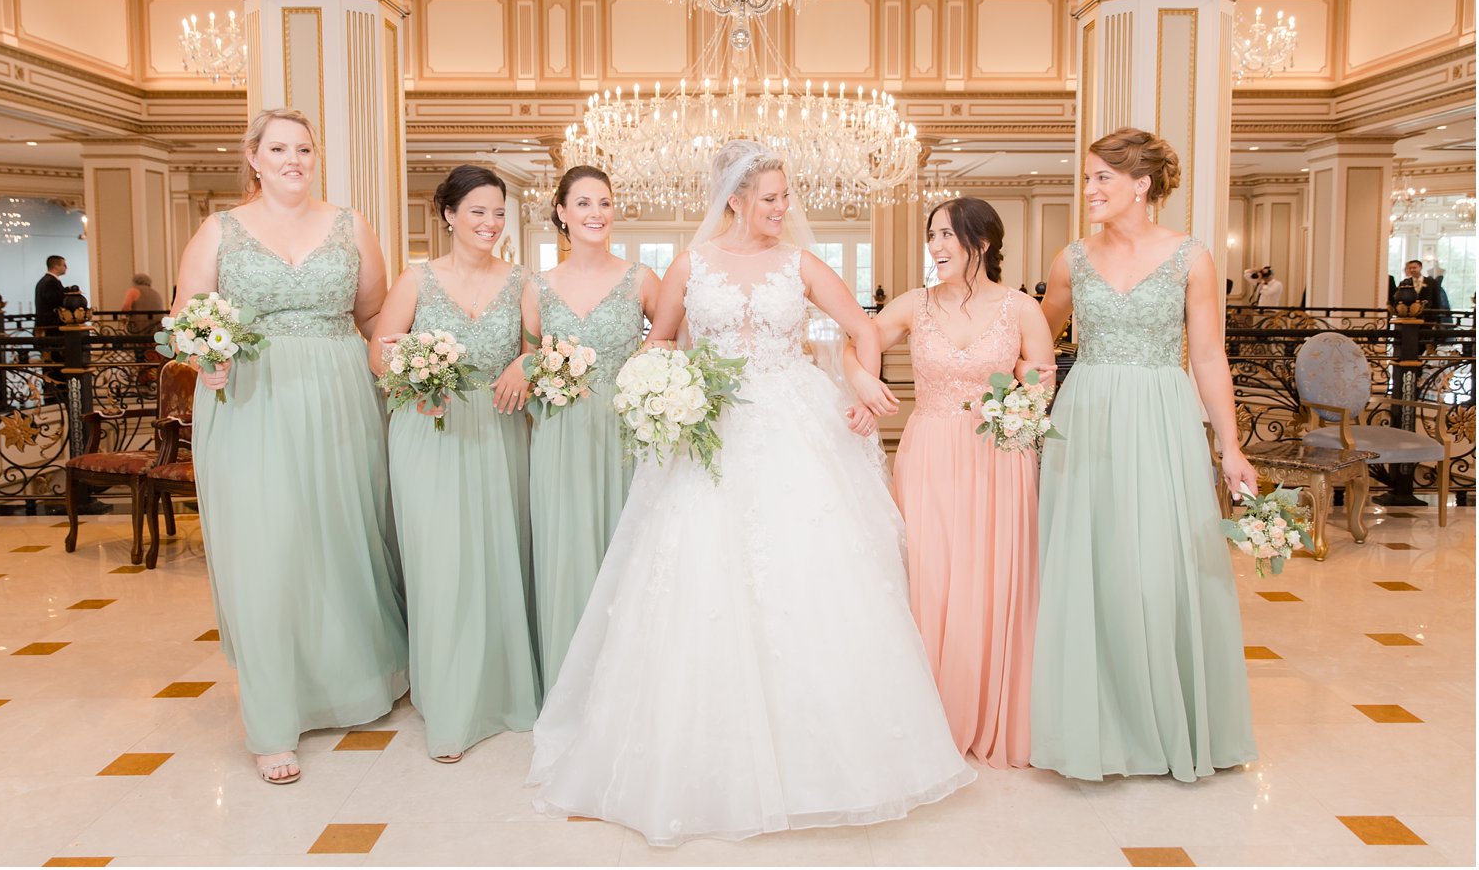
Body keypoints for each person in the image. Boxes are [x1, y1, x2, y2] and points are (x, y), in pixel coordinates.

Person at [529, 140, 975, 847]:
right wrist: (657, 386)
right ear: (734, 199)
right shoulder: (689, 264)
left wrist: (860, 378)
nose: (782, 207)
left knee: (810, 576)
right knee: (697, 581)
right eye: (769, 196)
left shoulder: (798, 263)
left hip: (792, 421)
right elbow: (662, 339)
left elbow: (861, 328)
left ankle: (823, 763)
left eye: (785, 195)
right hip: (710, 427)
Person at [170, 107, 408, 785]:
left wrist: (408, 366)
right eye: (278, 148)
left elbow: (372, 318)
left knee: (340, 537)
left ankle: (356, 681)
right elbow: (188, 317)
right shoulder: (218, 230)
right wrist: (204, 357)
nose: (293, 159)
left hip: (339, 398)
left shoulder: (350, 225)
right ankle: (272, 720)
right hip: (249, 398)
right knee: (265, 550)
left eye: (303, 148)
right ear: (253, 157)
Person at [1031, 127, 1257, 782]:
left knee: (1160, 568)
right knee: (1091, 568)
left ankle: (1170, 724)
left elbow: (1210, 357)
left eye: (1102, 177)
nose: (1090, 189)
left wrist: (1230, 446)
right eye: (1089, 177)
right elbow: (1035, 337)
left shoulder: (1191, 257)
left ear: (1142, 184)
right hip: (1088, 417)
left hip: (1162, 417)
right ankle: (1095, 727)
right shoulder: (1070, 258)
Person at [843, 197, 1054, 769]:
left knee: (993, 576)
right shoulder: (914, 305)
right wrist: (862, 377)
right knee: (930, 576)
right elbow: (854, 339)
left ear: (980, 243)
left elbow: (1040, 380)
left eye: (946, 237)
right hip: (931, 450)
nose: (935, 248)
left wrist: (1022, 408)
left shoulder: (1022, 310)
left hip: (999, 459)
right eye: (931, 236)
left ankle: (989, 709)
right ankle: (925, 714)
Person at [370, 164, 539, 763]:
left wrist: (526, 364)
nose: (490, 223)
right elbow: (380, 349)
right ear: (448, 215)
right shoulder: (417, 280)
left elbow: (538, 349)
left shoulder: (522, 281)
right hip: (429, 430)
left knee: (499, 557)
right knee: (441, 562)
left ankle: (502, 688)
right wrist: (413, 375)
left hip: (498, 430)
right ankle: (448, 702)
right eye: (478, 212)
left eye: (498, 213)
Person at [523, 165, 660, 696]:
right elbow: (528, 360)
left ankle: (625, 686)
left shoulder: (640, 279)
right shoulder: (538, 287)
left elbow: (677, 339)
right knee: (566, 546)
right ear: (561, 212)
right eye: (582, 204)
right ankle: (568, 683)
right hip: (561, 431)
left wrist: (649, 358)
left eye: (603, 203)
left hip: (625, 428)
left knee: (626, 547)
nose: (595, 214)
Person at [34, 255, 68, 402]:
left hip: (47, 328)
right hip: (51, 328)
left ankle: (54, 392)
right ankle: (56, 393)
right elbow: (54, 300)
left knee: (52, 362)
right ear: (56, 266)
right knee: (54, 362)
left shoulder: (46, 281)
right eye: (64, 265)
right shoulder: (50, 282)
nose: (66, 268)